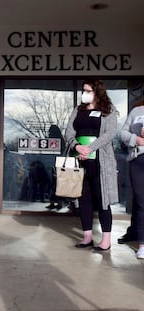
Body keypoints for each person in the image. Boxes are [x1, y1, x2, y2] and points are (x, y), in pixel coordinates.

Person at [65, 79, 118, 251]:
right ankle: (87, 236)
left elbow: (110, 133)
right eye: (83, 90)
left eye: (88, 90)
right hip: (79, 160)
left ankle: (106, 239)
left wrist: (90, 148)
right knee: (83, 199)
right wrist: (77, 146)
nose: (84, 93)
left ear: (97, 92)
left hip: (100, 161)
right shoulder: (78, 110)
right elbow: (69, 132)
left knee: (102, 200)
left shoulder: (107, 110)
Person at [119, 99, 144, 259]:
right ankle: (142, 244)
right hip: (138, 160)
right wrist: (135, 139)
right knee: (141, 202)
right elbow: (122, 133)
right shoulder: (136, 111)